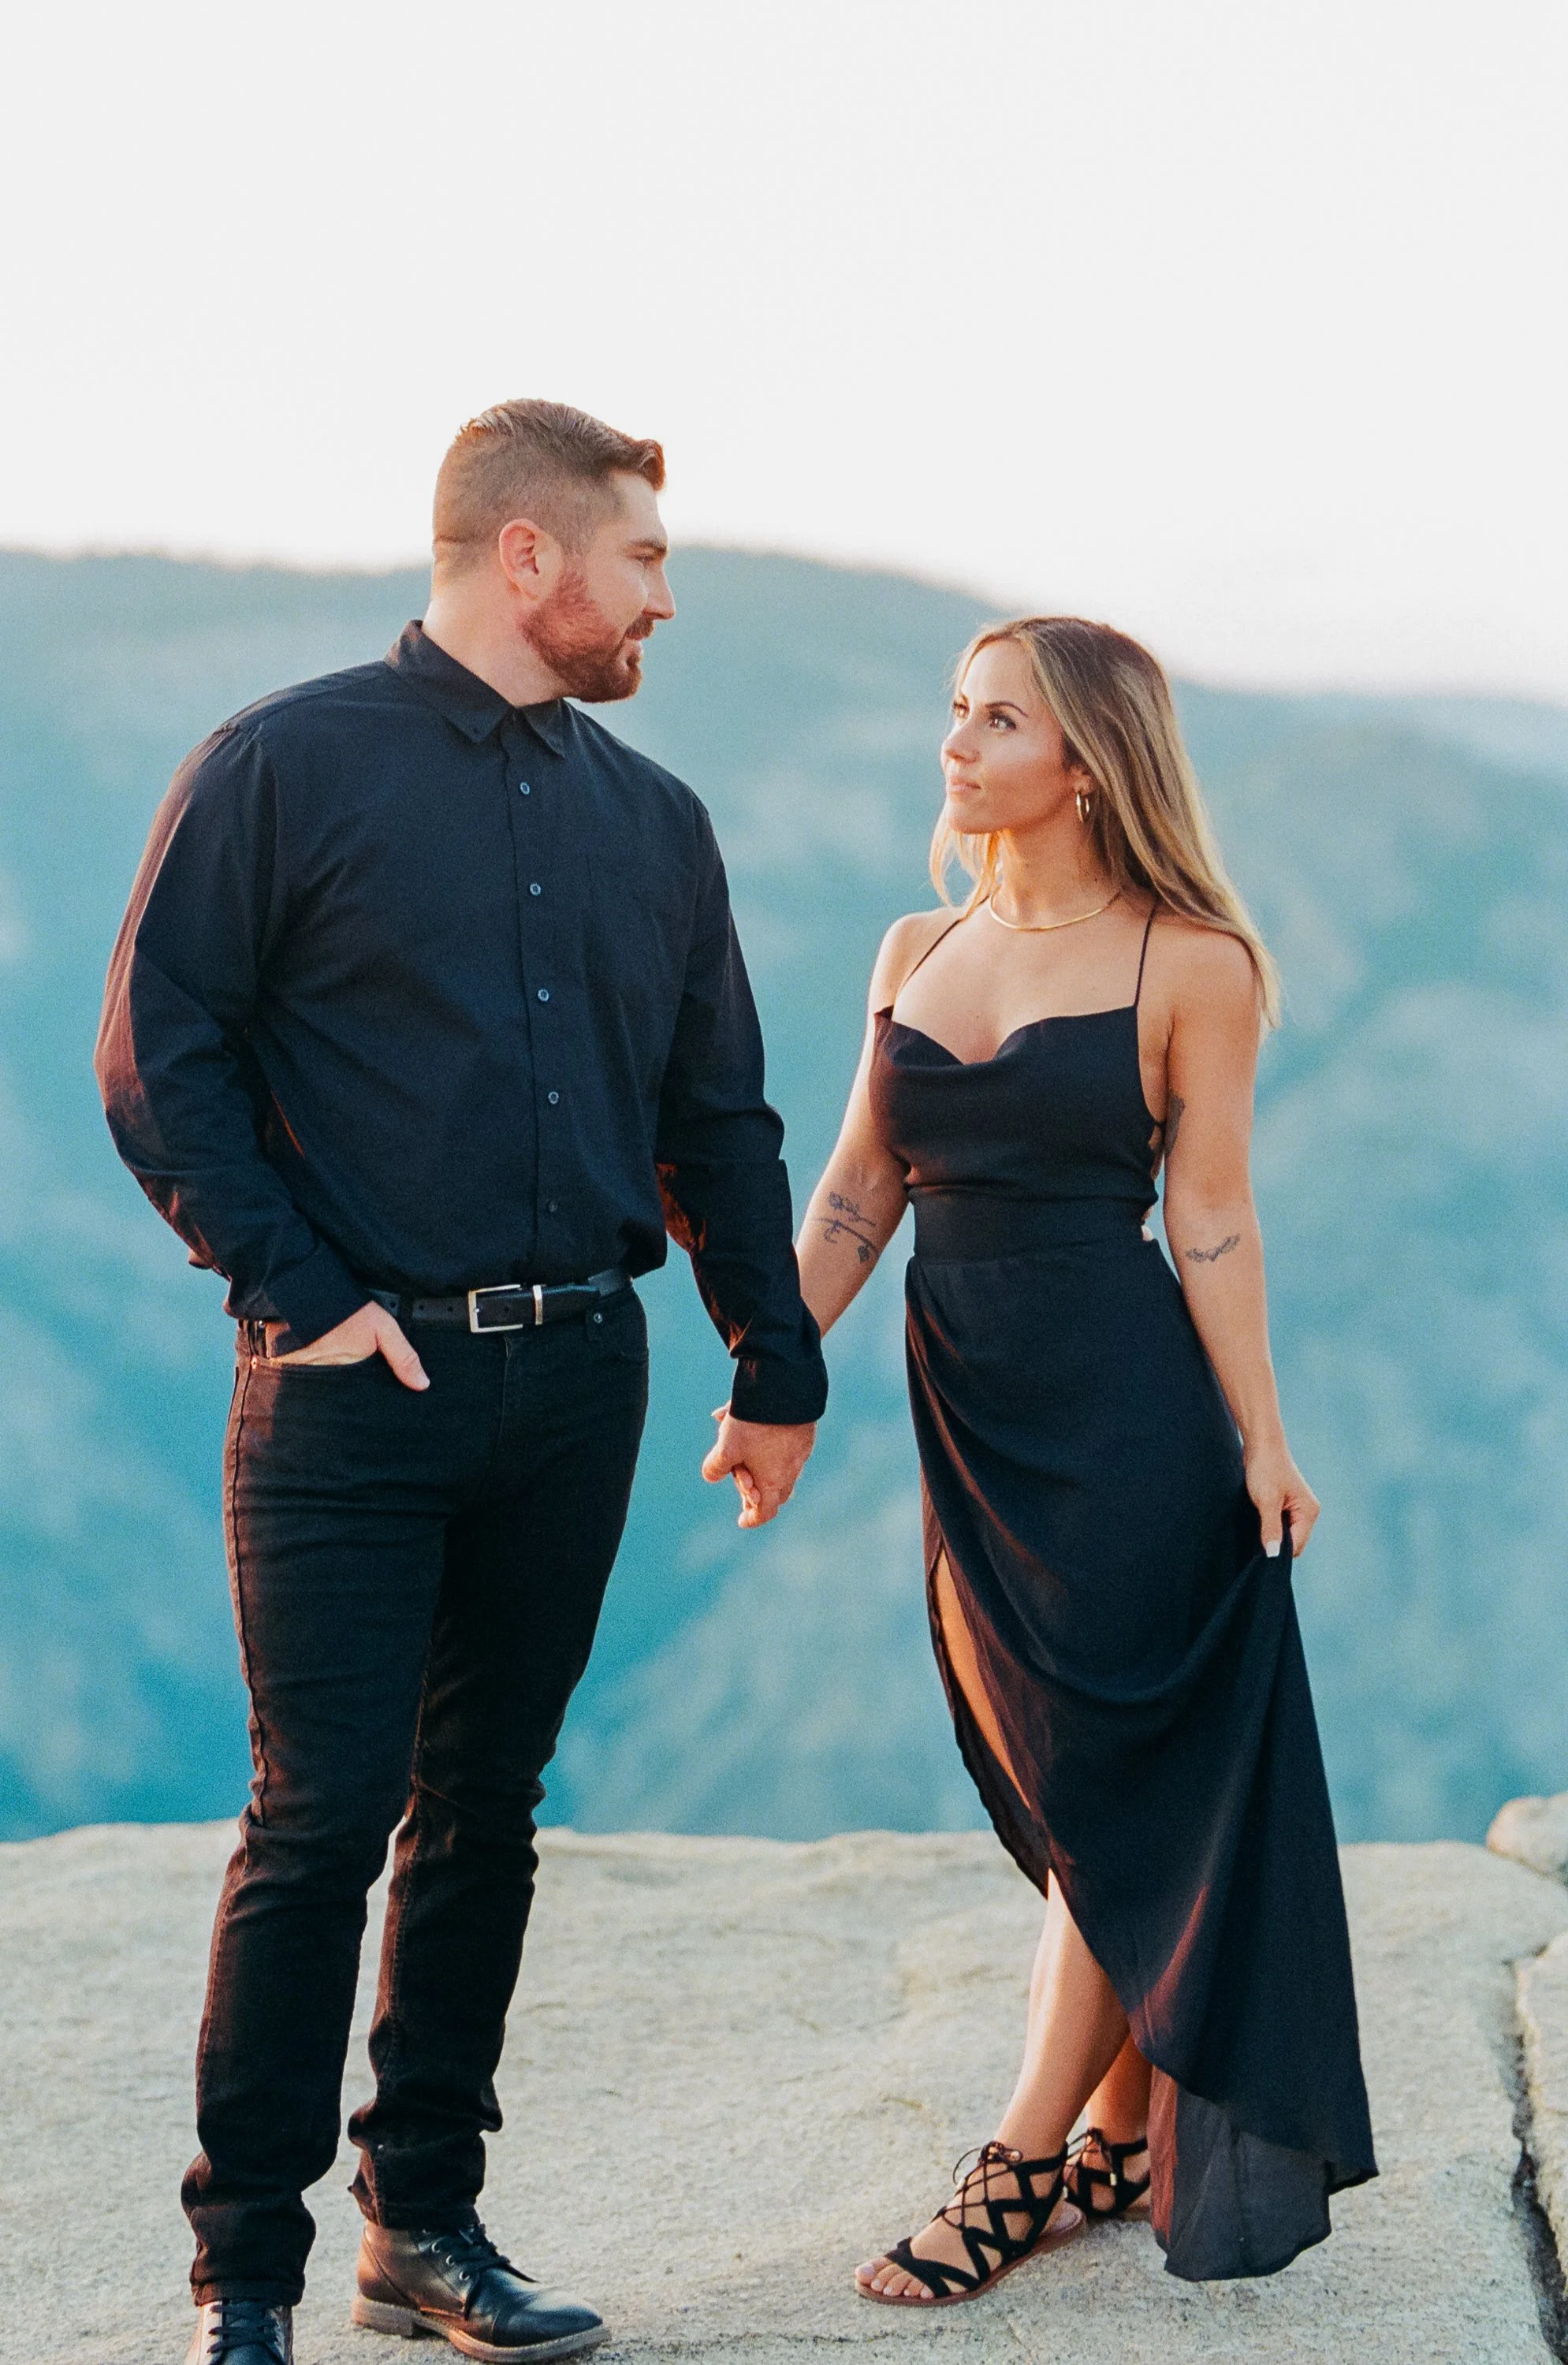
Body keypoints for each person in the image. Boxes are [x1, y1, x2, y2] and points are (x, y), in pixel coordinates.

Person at [95, 400, 825, 2365]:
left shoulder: (654, 822)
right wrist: (304, 1296)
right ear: (528, 555)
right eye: (642, 558)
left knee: (485, 1811)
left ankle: (420, 2228)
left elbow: (716, 1114)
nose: (662, 598)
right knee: (317, 1823)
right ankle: (244, 2280)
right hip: (350, 1392)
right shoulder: (283, 762)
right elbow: (158, 1054)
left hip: (578, 1380)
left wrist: (772, 1354)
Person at [795, 616, 1376, 2302]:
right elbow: (857, 1195)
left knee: (1113, 1786)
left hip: (1131, 1427)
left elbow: (1212, 1220)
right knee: (1061, 1783)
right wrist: (770, 1371)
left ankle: (1021, 2159)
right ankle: (1121, 2132)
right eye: (955, 712)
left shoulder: (1192, 961)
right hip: (971, 1419)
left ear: (1088, 764)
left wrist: (1262, 1441)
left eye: (998, 721)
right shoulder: (918, 944)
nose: (957, 744)